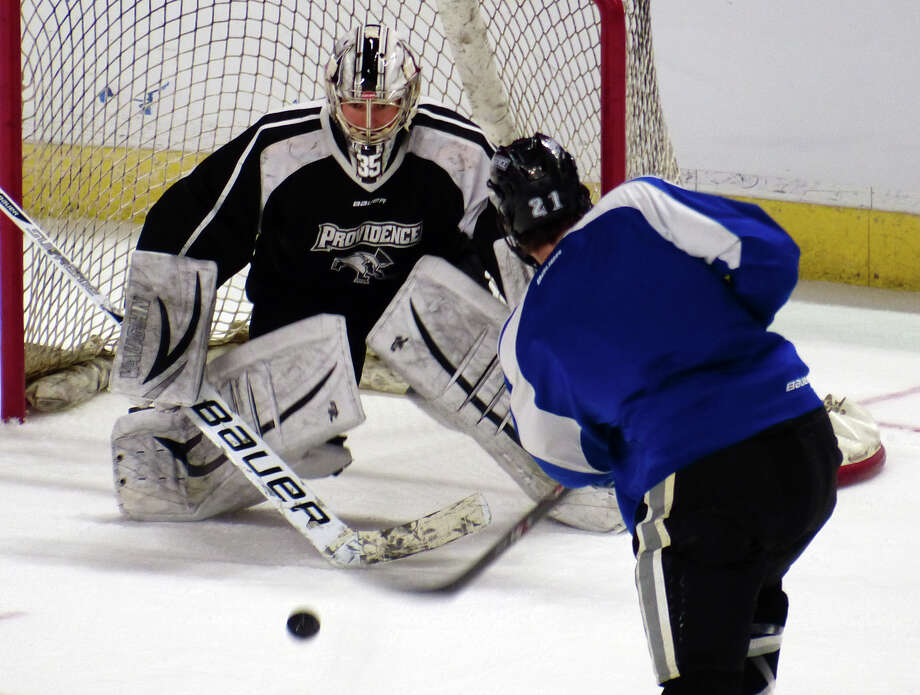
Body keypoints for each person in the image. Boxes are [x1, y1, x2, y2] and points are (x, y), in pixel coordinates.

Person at [489, 133, 841, 694]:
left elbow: (558, 455)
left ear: (510, 234)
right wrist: (730, 328)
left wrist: (622, 448)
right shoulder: (638, 204)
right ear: (580, 192)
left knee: (699, 680)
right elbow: (771, 254)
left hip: (698, 494)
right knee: (742, 632)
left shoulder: (523, 333)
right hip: (803, 449)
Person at [109, 22, 504, 520]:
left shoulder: (458, 151)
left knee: (487, 340)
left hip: (423, 316)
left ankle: (561, 444)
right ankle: (172, 456)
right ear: (331, 98)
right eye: (353, 107)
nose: (367, 123)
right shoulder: (280, 148)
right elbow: (184, 232)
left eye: (381, 108)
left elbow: (511, 247)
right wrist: (159, 376)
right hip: (306, 311)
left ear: (408, 104)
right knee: (306, 443)